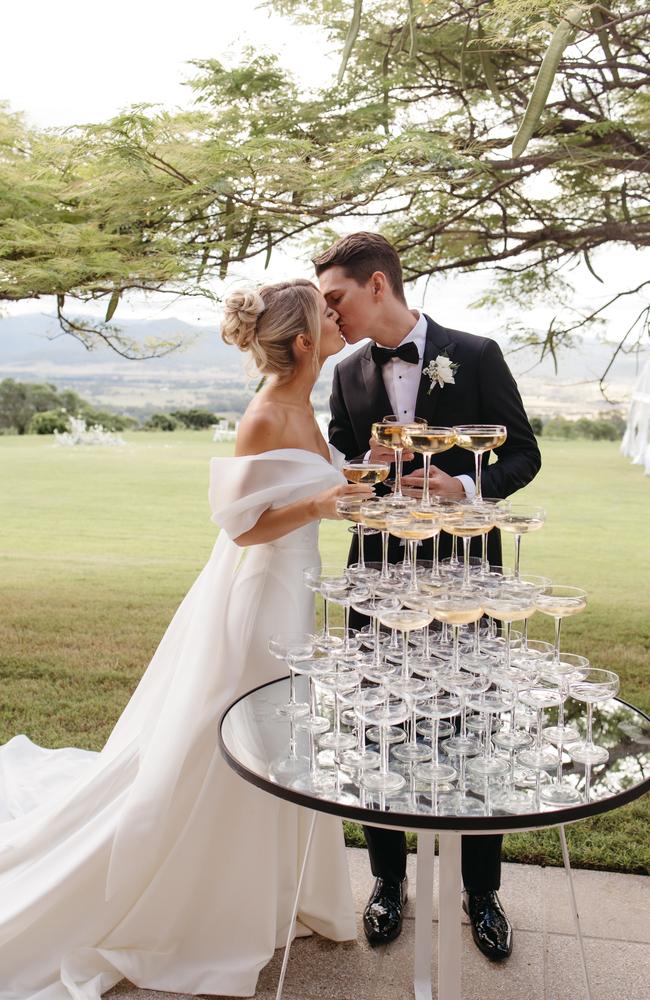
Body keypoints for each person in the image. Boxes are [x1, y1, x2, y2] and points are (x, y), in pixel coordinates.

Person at [0, 279, 371, 999]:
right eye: (328, 316)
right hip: (260, 594)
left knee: (285, 734)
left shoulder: (304, 403)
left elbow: (303, 488)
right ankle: (206, 902)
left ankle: (274, 893)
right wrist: (323, 502)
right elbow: (241, 525)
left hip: (296, 592)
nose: (339, 320)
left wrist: (353, 480)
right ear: (302, 342)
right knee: (241, 735)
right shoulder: (265, 414)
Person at [315, 232, 542, 963]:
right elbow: (347, 461)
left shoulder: (474, 353)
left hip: (466, 572)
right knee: (377, 721)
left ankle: (483, 891)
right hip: (377, 574)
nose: (330, 314)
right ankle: (387, 880)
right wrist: (367, 472)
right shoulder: (347, 372)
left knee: (473, 722)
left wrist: (466, 488)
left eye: (337, 298)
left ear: (378, 285)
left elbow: (524, 452)